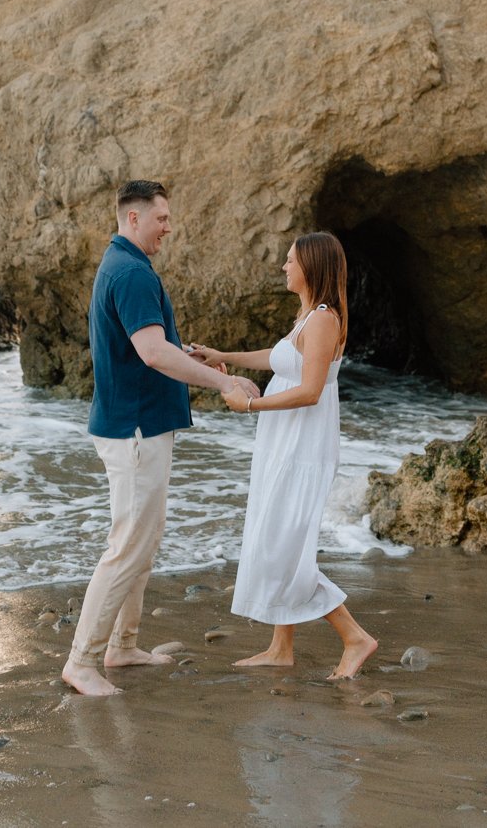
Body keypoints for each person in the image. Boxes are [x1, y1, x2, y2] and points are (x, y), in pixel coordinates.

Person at [61, 180, 260, 697]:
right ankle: (81, 662)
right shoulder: (129, 272)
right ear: (133, 219)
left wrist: (190, 357)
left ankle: (122, 646)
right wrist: (224, 382)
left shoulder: (126, 266)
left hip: (139, 426)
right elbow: (151, 353)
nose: (168, 228)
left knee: (141, 544)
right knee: (127, 546)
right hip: (135, 430)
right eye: (161, 219)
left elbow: (150, 349)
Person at [190, 231, 378, 680]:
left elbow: (310, 391)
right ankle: (280, 647)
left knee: (283, 549)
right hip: (284, 445)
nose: (283, 266)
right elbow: (280, 361)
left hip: (302, 450)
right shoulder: (308, 317)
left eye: (290, 260)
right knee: (277, 540)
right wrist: (223, 356)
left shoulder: (323, 320)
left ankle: (355, 638)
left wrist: (249, 405)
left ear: (310, 267)